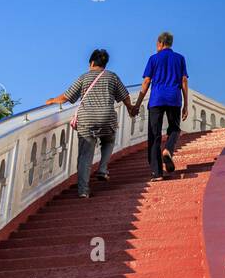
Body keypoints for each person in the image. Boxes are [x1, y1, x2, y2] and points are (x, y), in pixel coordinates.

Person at [45, 49, 134, 199]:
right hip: (106, 118)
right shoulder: (112, 77)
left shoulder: (84, 77)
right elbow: (125, 96)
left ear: (91, 63)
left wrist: (52, 100)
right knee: (109, 139)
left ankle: (83, 191)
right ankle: (103, 169)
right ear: (104, 64)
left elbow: (66, 97)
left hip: (86, 120)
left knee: (85, 155)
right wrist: (131, 108)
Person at [132, 32, 188, 182]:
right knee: (175, 129)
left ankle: (157, 173)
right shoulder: (180, 58)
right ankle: (168, 150)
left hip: (156, 99)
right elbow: (184, 82)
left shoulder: (153, 59)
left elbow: (146, 82)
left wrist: (137, 104)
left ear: (160, 43)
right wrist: (186, 104)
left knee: (154, 135)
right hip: (174, 98)